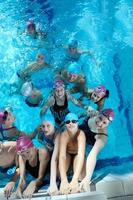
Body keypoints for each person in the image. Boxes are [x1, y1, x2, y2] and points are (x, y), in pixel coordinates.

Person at [79, 108, 114, 192]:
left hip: (87, 146)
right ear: (98, 114)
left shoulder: (102, 136)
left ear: (108, 124)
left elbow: (93, 154)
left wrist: (87, 179)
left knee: (82, 176)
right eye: (100, 118)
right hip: (79, 133)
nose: (100, 123)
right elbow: (78, 117)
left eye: (105, 123)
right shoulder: (91, 112)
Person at [59, 113, 86, 195]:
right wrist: (64, 180)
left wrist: (75, 179)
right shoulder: (64, 135)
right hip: (67, 154)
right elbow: (62, 156)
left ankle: (73, 174)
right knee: (59, 176)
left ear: (77, 123)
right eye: (67, 122)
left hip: (77, 154)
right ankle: (67, 174)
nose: (70, 123)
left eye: (73, 121)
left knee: (81, 176)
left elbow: (81, 155)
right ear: (65, 124)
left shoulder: (81, 134)